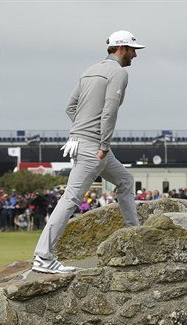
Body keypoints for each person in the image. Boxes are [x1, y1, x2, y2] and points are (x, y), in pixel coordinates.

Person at [32, 30, 145, 274]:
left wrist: (83, 129)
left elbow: (70, 107)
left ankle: (135, 236)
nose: (135, 55)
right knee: (70, 199)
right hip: (95, 146)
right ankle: (43, 256)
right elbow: (110, 110)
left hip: (81, 141)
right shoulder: (118, 73)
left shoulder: (89, 70)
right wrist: (103, 144)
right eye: (133, 49)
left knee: (125, 180)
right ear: (121, 48)